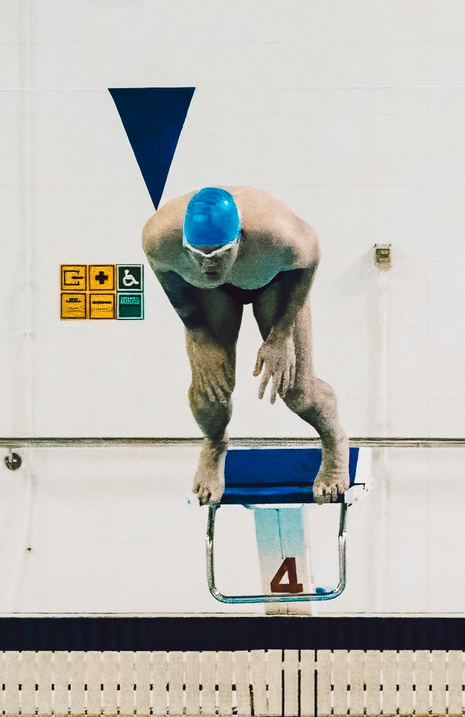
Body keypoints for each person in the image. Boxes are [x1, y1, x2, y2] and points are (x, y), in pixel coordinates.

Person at [143, 185, 345, 505]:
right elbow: (169, 280)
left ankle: (334, 441)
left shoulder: (279, 233)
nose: (209, 264)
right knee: (210, 391)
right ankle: (214, 443)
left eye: (219, 254)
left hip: (274, 283)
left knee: (297, 393)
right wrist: (200, 336)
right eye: (199, 255)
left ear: (240, 239)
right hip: (212, 294)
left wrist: (281, 337)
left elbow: (310, 261)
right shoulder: (159, 237)